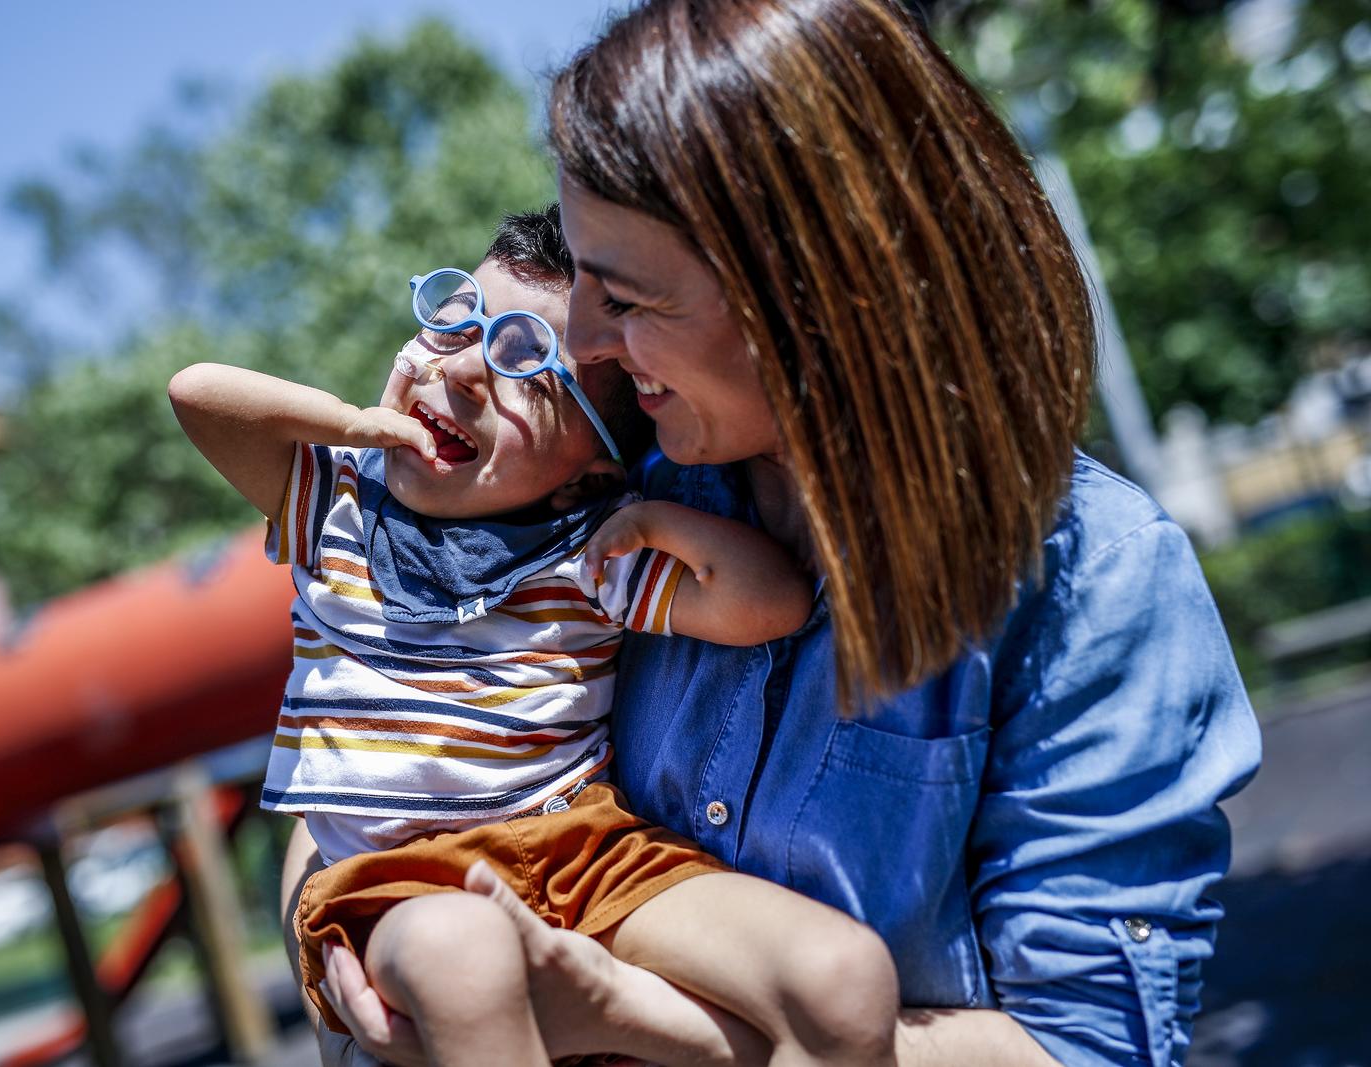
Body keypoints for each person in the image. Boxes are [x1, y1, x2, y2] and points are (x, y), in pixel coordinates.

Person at [307, 2, 1264, 1066]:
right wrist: (350, 940)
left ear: (808, 297)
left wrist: (633, 1018)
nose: (585, 341)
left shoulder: (1090, 579)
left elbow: (1088, 1048)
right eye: (580, 277)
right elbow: (381, 741)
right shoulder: (605, 500)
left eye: (624, 297)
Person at [173, 207, 911, 1066]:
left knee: (841, 976)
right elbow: (197, 394)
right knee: (464, 959)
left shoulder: (588, 552)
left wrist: (653, 519)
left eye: (528, 366)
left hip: (582, 849)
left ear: (587, 474)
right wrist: (349, 422)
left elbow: (773, 603)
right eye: (454, 324)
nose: (467, 371)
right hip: (400, 880)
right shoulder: (337, 506)